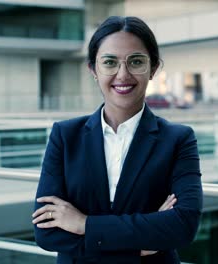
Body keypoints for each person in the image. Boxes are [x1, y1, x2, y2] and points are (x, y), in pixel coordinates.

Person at [32, 16, 203, 264]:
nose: (123, 74)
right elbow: (46, 232)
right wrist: (140, 247)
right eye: (110, 62)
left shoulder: (178, 140)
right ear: (93, 69)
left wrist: (84, 223)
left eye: (136, 62)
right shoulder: (65, 136)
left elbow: (183, 225)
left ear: (153, 68)